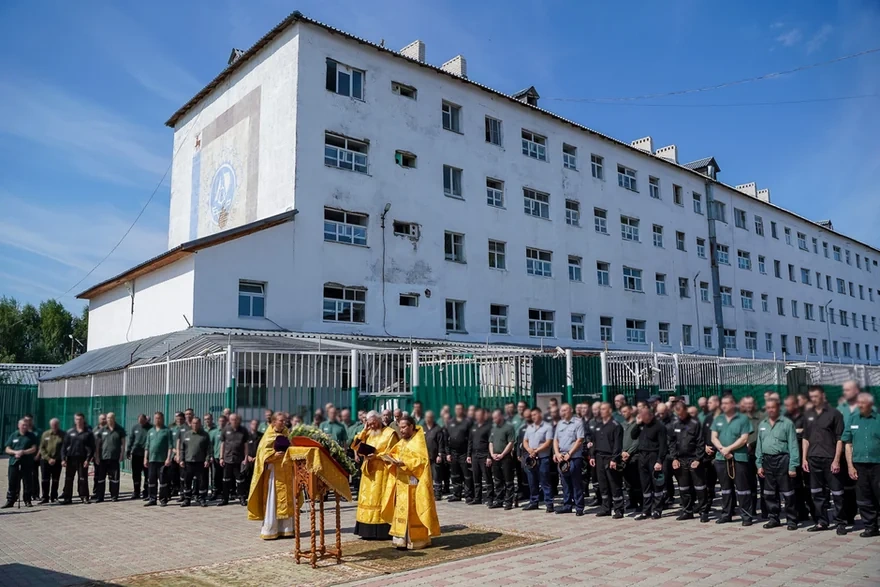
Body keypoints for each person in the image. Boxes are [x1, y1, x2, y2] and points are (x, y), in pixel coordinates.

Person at [375, 415, 440, 550]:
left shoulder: (418, 442)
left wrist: (405, 462)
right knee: (401, 510)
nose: (401, 430)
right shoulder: (402, 442)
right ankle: (401, 539)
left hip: (414, 484)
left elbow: (423, 463)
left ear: (411, 427)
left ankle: (416, 540)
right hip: (401, 483)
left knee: (413, 512)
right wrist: (388, 459)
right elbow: (393, 453)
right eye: (400, 427)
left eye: (404, 427)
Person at [802, 385, 847, 534]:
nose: (813, 399)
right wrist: (804, 458)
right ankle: (822, 521)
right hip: (813, 459)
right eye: (811, 397)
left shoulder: (835, 414)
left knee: (837, 492)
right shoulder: (808, 415)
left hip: (829, 458)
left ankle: (840, 522)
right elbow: (805, 438)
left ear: (822, 396)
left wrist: (836, 460)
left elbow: (840, 439)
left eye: (816, 396)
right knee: (816, 492)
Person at [247, 412, 295, 540]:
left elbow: (292, 447)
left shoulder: (287, 433)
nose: (283, 423)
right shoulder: (268, 435)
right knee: (273, 500)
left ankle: (286, 529)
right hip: (274, 472)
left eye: (284, 420)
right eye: (280, 420)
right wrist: (273, 456)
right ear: (273, 422)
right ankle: (271, 529)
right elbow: (262, 454)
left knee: (287, 499)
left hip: (286, 471)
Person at [351, 411, 399, 540]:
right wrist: (364, 430)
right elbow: (355, 446)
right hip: (368, 472)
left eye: (373, 424)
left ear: (379, 421)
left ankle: (382, 530)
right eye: (369, 424)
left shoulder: (390, 434)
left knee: (380, 499)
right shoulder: (368, 432)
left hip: (383, 472)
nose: (372, 426)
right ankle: (366, 530)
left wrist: (377, 456)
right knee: (368, 498)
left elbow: (395, 453)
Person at [755, 398, 800, 530]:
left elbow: (793, 445)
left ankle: (792, 520)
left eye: (773, 407)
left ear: (778, 408)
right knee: (769, 493)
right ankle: (773, 518)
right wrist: (759, 464)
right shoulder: (762, 424)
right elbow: (759, 445)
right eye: (768, 407)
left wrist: (792, 466)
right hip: (767, 461)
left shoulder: (787, 423)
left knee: (788, 493)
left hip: (783, 460)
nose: (770, 410)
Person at [710, 395, 754, 526]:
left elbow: (744, 438)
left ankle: (746, 516)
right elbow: (713, 437)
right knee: (725, 489)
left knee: (742, 489)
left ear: (733, 404)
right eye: (722, 403)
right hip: (721, 458)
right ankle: (726, 514)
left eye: (727, 403)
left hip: (738, 458)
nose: (724, 406)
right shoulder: (718, 419)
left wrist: (729, 449)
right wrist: (722, 450)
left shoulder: (743, 419)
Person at [842, 392, 880, 538]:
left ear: (870, 404)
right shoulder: (852, 419)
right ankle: (870, 527)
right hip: (859, 465)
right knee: (864, 497)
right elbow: (848, 444)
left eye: (863, 403)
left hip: (877, 464)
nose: (860, 406)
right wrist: (850, 466)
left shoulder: (878, 419)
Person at [669, 401, 704, 520]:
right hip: (681, 459)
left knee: (699, 487)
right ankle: (687, 511)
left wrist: (698, 459)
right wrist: (674, 458)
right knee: (683, 488)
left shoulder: (695, 423)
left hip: (693, 458)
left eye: (682, 414)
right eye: (678, 415)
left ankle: (703, 512)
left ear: (686, 411)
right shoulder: (675, 423)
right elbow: (672, 442)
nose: (680, 417)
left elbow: (700, 442)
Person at [631, 404, 667, 520]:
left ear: (650, 415)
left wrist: (659, 461)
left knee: (657, 485)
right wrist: (637, 424)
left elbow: (663, 446)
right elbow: (633, 435)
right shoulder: (641, 425)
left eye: (643, 415)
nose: (641, 417)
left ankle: (657, 509)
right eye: (640, 415)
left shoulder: (659, 427)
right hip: (642, 456)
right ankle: (646, 510)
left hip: (654, 456)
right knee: (645, 485)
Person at [591, 402, 624, 518]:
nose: (601, 411)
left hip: (610, 458)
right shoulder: (598, 425)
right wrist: (592, 456)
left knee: (614, 484)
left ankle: (619, 509)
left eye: (604, 409)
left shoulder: (615, 426)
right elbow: (594, 443)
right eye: (600, 409)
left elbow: (617, 444)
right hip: (599, 457)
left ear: (610, 411)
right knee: (602, 484)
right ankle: (606, 507)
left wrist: (614, 459)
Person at [784, 394, 813, 523]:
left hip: (805, 456)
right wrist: (797, 432)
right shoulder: (784, 418)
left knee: (809, 486)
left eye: (789, 405)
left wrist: (797, 432)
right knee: (794, 487)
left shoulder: (805, 417)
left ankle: (815, 513)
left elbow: (808, 433)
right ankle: (799, 512)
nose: (786, 407)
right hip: (791, 457)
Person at [553, 403, 585, 516]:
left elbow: (580, 440)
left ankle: (579, 507)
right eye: (561, 410)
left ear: (571, 410)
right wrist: (556, 453)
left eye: (565, 410)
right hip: (561, 457)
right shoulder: (560, 424)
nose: (563, 412)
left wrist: (570, 453)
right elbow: (555, 440)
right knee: (565, 483)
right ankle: (567, 505)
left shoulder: (578, 422)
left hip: (574, 457)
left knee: (576, 482)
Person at [837, 380, 861, 526]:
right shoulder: (840, 409)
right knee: (846, 487)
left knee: (866, 486)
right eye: (844, 390)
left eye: (848, 390)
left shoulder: (865, 408)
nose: (845, 392)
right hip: (845, 450)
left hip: (862, 453)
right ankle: (848, 515)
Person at [522, 406, 553, 511]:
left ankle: (549, 503)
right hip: (531, 458)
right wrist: (529, 450)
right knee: (532, 481)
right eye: (532, 415)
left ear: (540, 414)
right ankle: (533, 502)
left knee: (545, 481)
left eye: (535, 414)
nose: (533, 417)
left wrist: (536, 451)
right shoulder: (529, 427)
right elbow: (525, 441)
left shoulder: (547, 427)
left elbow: (548, 442)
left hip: (543, 458)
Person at [60, 413, 95, 505]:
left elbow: (92, 447)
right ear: (74, 420)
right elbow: (64, 446)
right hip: (71, 458)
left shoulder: (88, 433)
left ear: (83, 420)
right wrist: (63, 459)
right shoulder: (70, 432)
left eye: (80, 419)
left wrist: (88, 459)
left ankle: (84, 497)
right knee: (68, 479)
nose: (78, 421)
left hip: (82, 459)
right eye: (76, 419)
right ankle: (67, 498)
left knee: (83, 479)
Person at [3, 419, 38, 508]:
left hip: (26, 462)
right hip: (14, 462)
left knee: (27, 482)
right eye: (23, 425)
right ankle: (10, 500)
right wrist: (15, 452)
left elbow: (34, 448)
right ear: (19, 426)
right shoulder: (14, 435)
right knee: (12, 482)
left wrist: (23, 452)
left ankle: (27, 500)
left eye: (26, 425)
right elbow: (7, 448)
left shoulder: (31, 436)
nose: (24, 427)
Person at [94, 412, 126, 502]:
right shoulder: (102, 430)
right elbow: (97, 444)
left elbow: (123, 443)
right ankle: (100, 497)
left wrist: (122, 454)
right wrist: (96, 456)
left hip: (114, 457)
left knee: (115, 479)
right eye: (107, 418)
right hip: (103, 457)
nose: (109, 419)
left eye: (110, 418)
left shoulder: (120, 429)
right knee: (101, 478)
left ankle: (114, 496)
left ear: (114, 418)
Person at [180, 417, 212, 507]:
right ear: (191, 424)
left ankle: (202, 499)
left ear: (200, 424)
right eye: (193, 423)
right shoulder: (186, 435)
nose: (195, 425)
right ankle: (187, 499)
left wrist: (207, 459)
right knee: (187, 481)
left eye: (197, 423)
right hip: (188, 462)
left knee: (202, 481)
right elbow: (182, 449)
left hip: (200, 462)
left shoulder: (205, 435)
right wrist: (181, 459)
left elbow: (208, 449)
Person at [219, 413, 250, 506]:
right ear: (229, 420)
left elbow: (246, 445)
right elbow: (223, 444)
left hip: (239, 459)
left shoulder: (243, 430)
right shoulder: (225, 430)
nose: (234, 421)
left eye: (236, 419)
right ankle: (225, 499)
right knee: (226, 480)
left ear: (239, 420)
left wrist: (246, 457)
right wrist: (221, 457)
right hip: (227, 458)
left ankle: (242, 498)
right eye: (232, 419)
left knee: (240, 480)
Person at [488, 409, 516, 510]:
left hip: (506, 458)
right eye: (493, 418)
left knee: (508, 481)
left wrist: (503, 454)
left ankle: (509, 501)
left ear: (500, 416)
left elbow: (511, 442)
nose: (494, 419)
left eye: (495, 418)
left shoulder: (508, 427)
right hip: (495, 458)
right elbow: (490, 442)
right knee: (498, 480)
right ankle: (499, 500)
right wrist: (492, 454)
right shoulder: (493, 428)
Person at [741, 396, 764, 518]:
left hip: (760, 454)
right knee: (750, 484)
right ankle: (752, 508)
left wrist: (751, 444)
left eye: (750, 403)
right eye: (746, 404)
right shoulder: (740, 418)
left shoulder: (761, 417)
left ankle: (766, 511)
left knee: (764, 484)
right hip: (746, 455)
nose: (748, 406)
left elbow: (763, 433)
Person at [144, 412, 173, 507]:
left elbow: (170, 446)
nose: (157, 420)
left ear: (163, 419)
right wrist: (145, 458)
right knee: (151, 480)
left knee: (163, 481)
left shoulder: (167, 431)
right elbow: (147, 446)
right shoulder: (150, 431)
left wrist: (168, 458)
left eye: (159, 418)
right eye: (156, 418)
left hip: (162, 461)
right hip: (152, 460)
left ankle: (163, 499)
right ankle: (152, 498)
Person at [445, 403, 473, 503]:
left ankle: (468, 495)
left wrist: (469, 454)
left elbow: (470, 439)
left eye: (460, 409)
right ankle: (456, 494)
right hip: (453, 453)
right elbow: (446, 438)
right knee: (455, 475)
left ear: (463, 410)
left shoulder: (467, 422)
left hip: (464, 453)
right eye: (457, 409)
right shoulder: (450, 422)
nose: (458, 411)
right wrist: (448, 453)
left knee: (467, 475)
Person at [700, 395, 721, 522]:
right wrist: (704, 447)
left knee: (727, 486)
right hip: (708, 457)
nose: (708, 404)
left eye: (711, 402)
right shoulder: (708, 418)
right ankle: (705, 511)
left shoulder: (725, 418)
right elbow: (702, 436)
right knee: (708, 485)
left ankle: (729, 510)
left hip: (721, 455)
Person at [467, 408, 493, 506]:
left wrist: (489, 456)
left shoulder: (488, 427)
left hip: (484, 455)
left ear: (483, 416)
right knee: (476, 477)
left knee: (487, 477)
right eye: (476, 415)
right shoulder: (473, 427)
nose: (477, 417)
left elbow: (491, 443)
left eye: (479, 415)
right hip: (474, 455)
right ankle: (477, 498)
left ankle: (490, 498)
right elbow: (470, 442)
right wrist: (469, 455)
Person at [620, 405, 641, 512]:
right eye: (622, 412)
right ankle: (632, 501)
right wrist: (622, 452)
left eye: (625, 411)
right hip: (623, 456)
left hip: (634, 456)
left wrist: (629, 452)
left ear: (631, 411)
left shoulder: (637, 424)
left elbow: (637, 441)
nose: (623, 413)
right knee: (627, 482)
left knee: (636, 480)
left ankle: (640, 502)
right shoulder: (622, 425)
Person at [38, 418, 64, 504]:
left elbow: (64, 448)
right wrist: (48, 458)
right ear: (50, 425)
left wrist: (56, 459)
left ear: (58, 425)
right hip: (45, 460)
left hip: (57, 460)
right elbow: (41, 448)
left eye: (56, 425)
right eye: (53, 425)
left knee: (55, 479)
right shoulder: (45, 434)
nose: (54, 426)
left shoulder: (63, 434)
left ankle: (54, 496)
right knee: (45, 479)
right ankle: (45, 497)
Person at [423, 411, 445, 501]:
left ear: (432, 418)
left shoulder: (438, 429)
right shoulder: (422, 428)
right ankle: (428, 493)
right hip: (425, 456)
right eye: (426, 417)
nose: (427, 419)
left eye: (429, 417)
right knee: (427, 476)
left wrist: (440, 454)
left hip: (435, 456)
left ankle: (438, 494)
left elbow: (441, 443)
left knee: (436, 476)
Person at [127, 414, 150, 500]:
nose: (141, 423)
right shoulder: (135, 427)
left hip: (146, 455)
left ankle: (146, 491)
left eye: (143, 421)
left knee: (147, 474)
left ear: (145, 420)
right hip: (136, 454)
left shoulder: (150, 428)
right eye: (140, 421)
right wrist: (128, 450)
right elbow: (131, 439)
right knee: (136, 474)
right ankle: (136, 491)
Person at [208, 414, 226, 500]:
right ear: (218, 422)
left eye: (223, 421)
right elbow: (210, 445)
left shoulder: (228, 431)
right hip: (215, 457)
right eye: (220, 421)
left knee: (224, 476)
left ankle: (224, 492)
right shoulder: (214, 432)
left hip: (226, 458)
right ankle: (215, 492)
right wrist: (211, 455)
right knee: (215, 476)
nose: (221, 423)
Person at [243, 418, 261, 493]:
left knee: (257, 476)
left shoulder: (261, 436)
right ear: (250, 425)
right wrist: (247, 456)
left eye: (256, 424)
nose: (255, 426)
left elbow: (263, 448)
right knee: (247, 476)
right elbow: (243, 447)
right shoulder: (246, 435)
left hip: (258, 459)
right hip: (248, 459)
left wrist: (257, 457)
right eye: (253, 424)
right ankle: (247, 492)